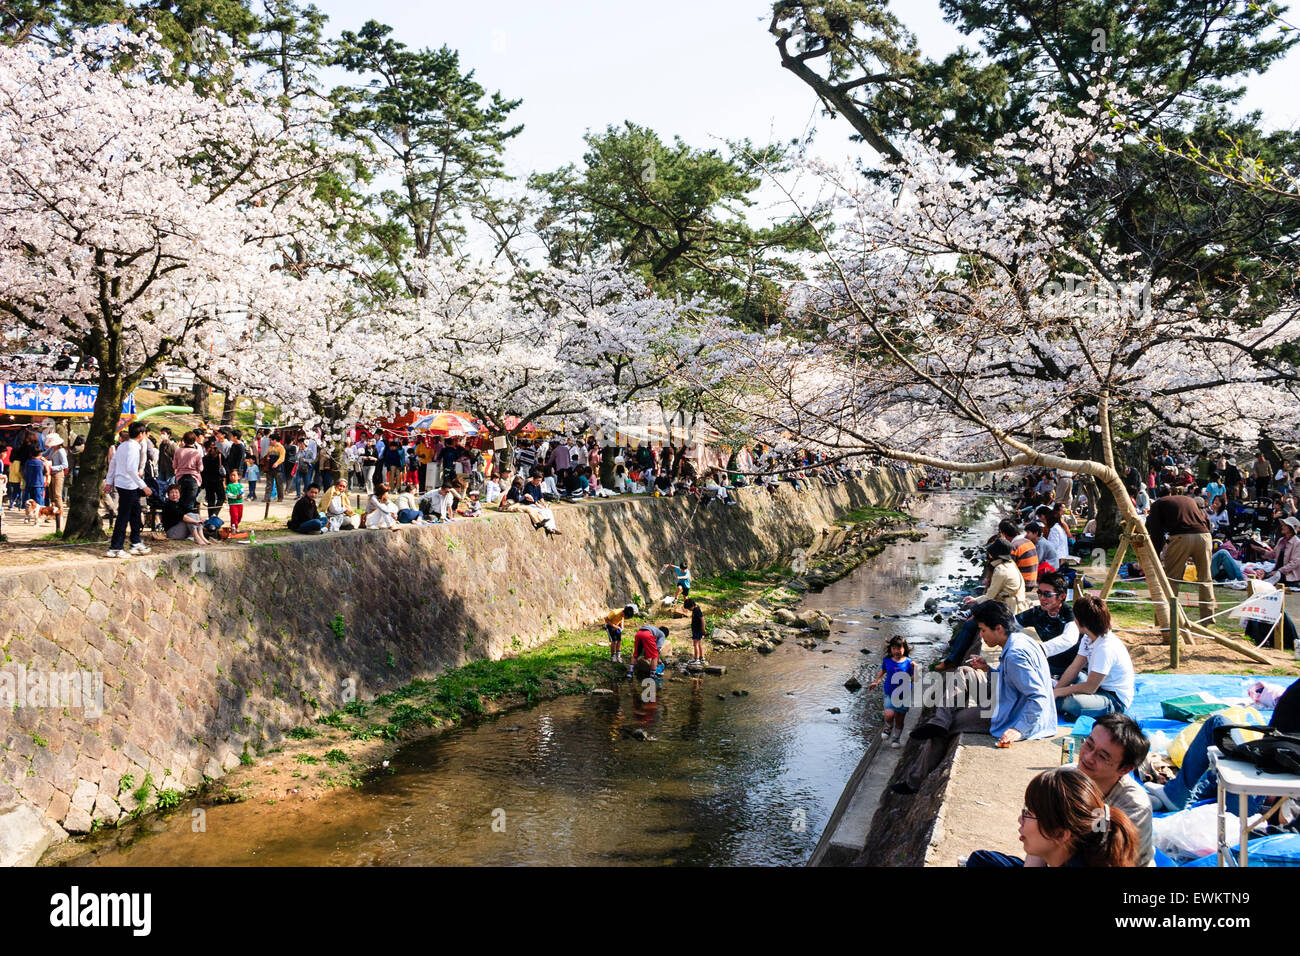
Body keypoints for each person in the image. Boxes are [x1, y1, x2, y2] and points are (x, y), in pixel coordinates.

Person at [892, 601, 1055, 794]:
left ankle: (913, 782)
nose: (981, 636)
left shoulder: (1015, 654)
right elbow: (1010, 680)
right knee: (963, 671)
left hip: (1010, 712)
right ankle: (939, 720)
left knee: (947, 728)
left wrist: (1017, 730)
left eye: (983, 630)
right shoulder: (1019, 639)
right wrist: (987, 668)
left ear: (999, 628)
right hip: (1004, 695)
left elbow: (1039, 697)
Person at [1146, 677, 1300, 813]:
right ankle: (1172, 796)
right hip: (1276, 806)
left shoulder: (1295, 694)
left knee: (1217, 724)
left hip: (1256, 803)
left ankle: (1175, 795)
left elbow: (1271, 748)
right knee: (1221, 766)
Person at [966, 767, 1139, 867]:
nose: (1020, 820)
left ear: (1061, 834)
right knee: (981, 861)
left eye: (1029, 814)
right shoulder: (1079, 846)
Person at [1053, 595, 1135, 719]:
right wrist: (1055, 692)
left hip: (1114, 699)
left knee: (1072, 703)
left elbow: (1090, 687)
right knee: (1078, 676)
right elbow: (1075, 667)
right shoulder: (1088, 638)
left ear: (1080, 622)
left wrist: (1058, 692)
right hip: (1098, 687)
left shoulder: (1106, 647)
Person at [1145, 484, 1215, 625]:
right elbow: (1206, 519)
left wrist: (1155, 553)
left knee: (1171, 580)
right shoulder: (1189, 499)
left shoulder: (1158, 504)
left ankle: (1165, 620)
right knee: (1205, 579)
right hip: (1205, 536)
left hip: (1181, 537)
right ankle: (1208, 619)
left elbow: (1155, 530)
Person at [103, 422, 153, 558]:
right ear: (141, 434)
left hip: (124, 483)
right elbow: (131, 469)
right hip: (128, 484)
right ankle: (116, 547)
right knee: (123, 516)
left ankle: (135, 542)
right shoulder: (132, 448)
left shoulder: (123, 445)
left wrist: (109, 481)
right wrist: (144, 486)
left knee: (136, 513)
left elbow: (112, 463)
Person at [1016, 572, 1079, 678]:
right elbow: (1010, 624)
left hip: (1075, 669)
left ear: (1062, 596)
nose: (1041, 598)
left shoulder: (1070, 614)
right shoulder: (1036, 612)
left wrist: (1035, 650)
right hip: (1048, 666)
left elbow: (1069, 639)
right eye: (1039, 593)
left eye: (1047, 594)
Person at [868, 636, 914, 749]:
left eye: (899, 648)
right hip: (890, 692)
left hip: (904, 694)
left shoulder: (909, 662)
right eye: (894, 648)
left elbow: (914, 678)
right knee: (889, 715)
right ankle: (888, 727)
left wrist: (916, 669)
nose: (896, 651)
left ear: (904, 649)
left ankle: (896, 739)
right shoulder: (887, 660)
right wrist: (876, 682)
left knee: (900, 719)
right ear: (891, 649)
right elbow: (883, 671)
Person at [684, 598, 707, 666]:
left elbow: (702, 620)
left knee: (695, 644)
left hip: (697, 630)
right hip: (697, 629)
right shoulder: (695, 609)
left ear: (692, 605)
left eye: (689, 608)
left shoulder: (697, 610)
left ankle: (696, 659)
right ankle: (702, 658)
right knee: (699, 644)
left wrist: (703, 629)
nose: (689, 610)